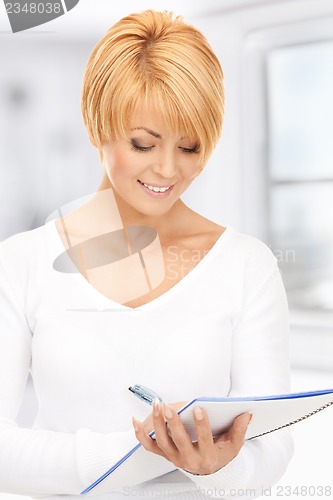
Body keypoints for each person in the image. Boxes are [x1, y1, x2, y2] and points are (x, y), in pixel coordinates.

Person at [0, 9, 294, 500]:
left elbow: (271, 450)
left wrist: (217, 470)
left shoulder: (248, 265)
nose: (166, 169)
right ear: (98, 125)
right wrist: (144, 451)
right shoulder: (22, 263)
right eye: (143, 143)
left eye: (190, 146)